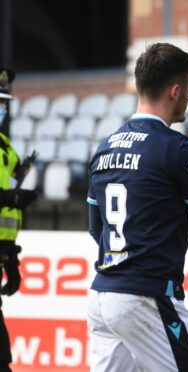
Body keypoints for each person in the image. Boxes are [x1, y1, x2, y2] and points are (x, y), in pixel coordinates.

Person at [86, 43, 188, 372]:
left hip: (102, 297)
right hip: (147, 296)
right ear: (175, 91)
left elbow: (95, 228)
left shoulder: (104, 148)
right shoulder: (178, 149)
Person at [0, 67, 39, 372]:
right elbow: (7, 196)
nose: (2, 110)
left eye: (4, 104)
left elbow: (12, 177)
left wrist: (10, 257)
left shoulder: (3, 145)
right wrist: (10, 198)